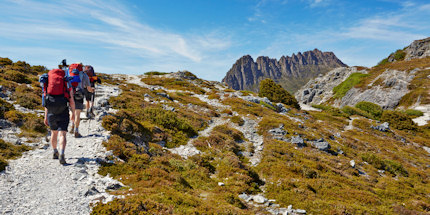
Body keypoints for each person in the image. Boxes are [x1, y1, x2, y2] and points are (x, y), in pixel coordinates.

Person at [43, 68, 75, 165]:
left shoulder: (48, 84)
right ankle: (62, 154)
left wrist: (45, 116)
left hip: (51, 112)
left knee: (54, 133)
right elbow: (71, 101)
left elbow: (46, 103)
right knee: (63, 134)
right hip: (63, 111)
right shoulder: (66, 83)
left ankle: (55, 151)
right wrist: (73, 113)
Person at [69, 63, 94, 138]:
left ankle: (72, 125)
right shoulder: (84, 75)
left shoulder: (69, 73)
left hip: (70, 93)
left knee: (71, 111)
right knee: (77, 113)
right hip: (79, 93)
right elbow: (88, 88)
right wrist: (92, 90)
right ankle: (76, 130)